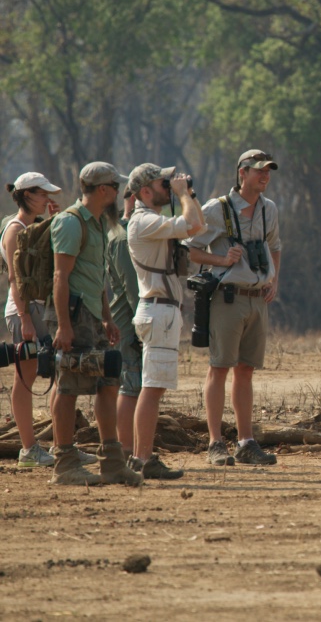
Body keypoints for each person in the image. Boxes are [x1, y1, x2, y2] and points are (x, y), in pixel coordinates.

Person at [48, 162, 143, 486]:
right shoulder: (71, 223)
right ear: (103, 189)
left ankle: (112, 462)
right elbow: (60, 277)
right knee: (69, 386)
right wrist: (64, 326)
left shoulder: (101, 222)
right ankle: (65, 463)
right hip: (74, 316)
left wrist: (106, 317)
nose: (119, 192)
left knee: (108, 382)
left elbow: (98, 276)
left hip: (94, 316)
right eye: (115, 187)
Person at [185, 149, 281, 466]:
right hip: (227, 298)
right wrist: (221, 260)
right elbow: (193, 252)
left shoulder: (269, 209)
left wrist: (273, 280)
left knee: (246, 370)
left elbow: (275, 247)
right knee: (219, 367)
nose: (264, 175)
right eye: (258, 170)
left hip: (257, 299)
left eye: (268, 170)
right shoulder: (217, 209)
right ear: (242, 173)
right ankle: (215, 443)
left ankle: (246, 442)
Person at [125, 163, 205, 480]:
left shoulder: (151, 219)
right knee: (152, 388)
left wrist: (189, 193)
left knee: (153, 388)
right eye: (162, 182)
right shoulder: (144, 221)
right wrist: (184, 194)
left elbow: (196, 225)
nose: (167, 186)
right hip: (158, 309)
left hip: (161, 310)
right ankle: (142, 458)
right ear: (145, 191)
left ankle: (141, 456)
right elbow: (192, 223)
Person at [3, 173, 62, 468]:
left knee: (50, 371)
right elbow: (16, 278)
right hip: (23, 311)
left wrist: (55, 221)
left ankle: (57, 445)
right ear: (27, 195)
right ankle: (28, 449)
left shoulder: (33, 227)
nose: (47, 199)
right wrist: (25, 318)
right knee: (24, 378)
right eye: (42, 194)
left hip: (39, 309)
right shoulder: (15, 229)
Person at [109, 189, 142, 462]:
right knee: (129, 385)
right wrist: (141, 326)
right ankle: (126, 450)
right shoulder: (122, 237)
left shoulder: (124, 231)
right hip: (128, 321)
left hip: (126, 319)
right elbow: (133, 290)